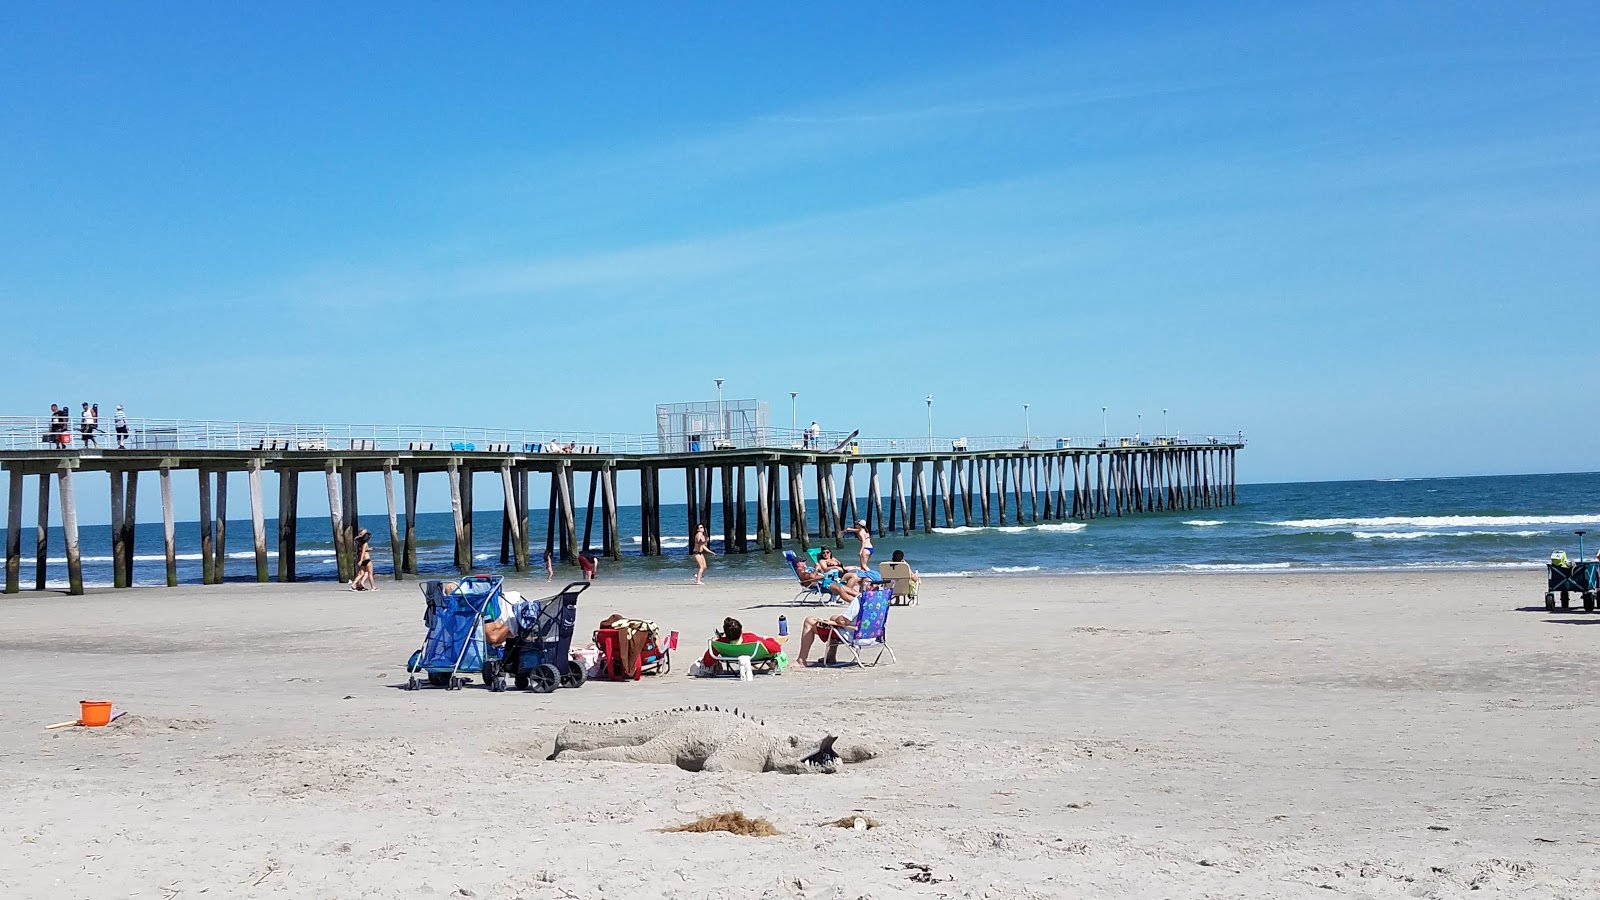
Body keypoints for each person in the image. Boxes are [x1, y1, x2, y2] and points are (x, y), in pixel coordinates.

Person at [797, 594, 861, 667]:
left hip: (851, 635)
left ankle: (801, 660)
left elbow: (843, 621)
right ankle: (831, 656)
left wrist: (834, 618)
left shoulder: (860, 599)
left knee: (809, 621)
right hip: (871, 637)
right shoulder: (876, 599)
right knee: (834, 623)